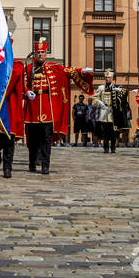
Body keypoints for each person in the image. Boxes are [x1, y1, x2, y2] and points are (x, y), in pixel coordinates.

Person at [22, 40, 92, 176]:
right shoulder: (28, 68)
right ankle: (32, 163)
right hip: (33, 108)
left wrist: (81, 71)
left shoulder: (54, 67)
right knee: (33, 139)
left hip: (48, 109)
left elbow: (68, 71)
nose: (40, 55)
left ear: (46, 54)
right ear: (34, 54)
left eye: (43, 52)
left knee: (47, 139)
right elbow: (23, 83)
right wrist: (26, 91)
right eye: (38, 52)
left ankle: (45, 165)